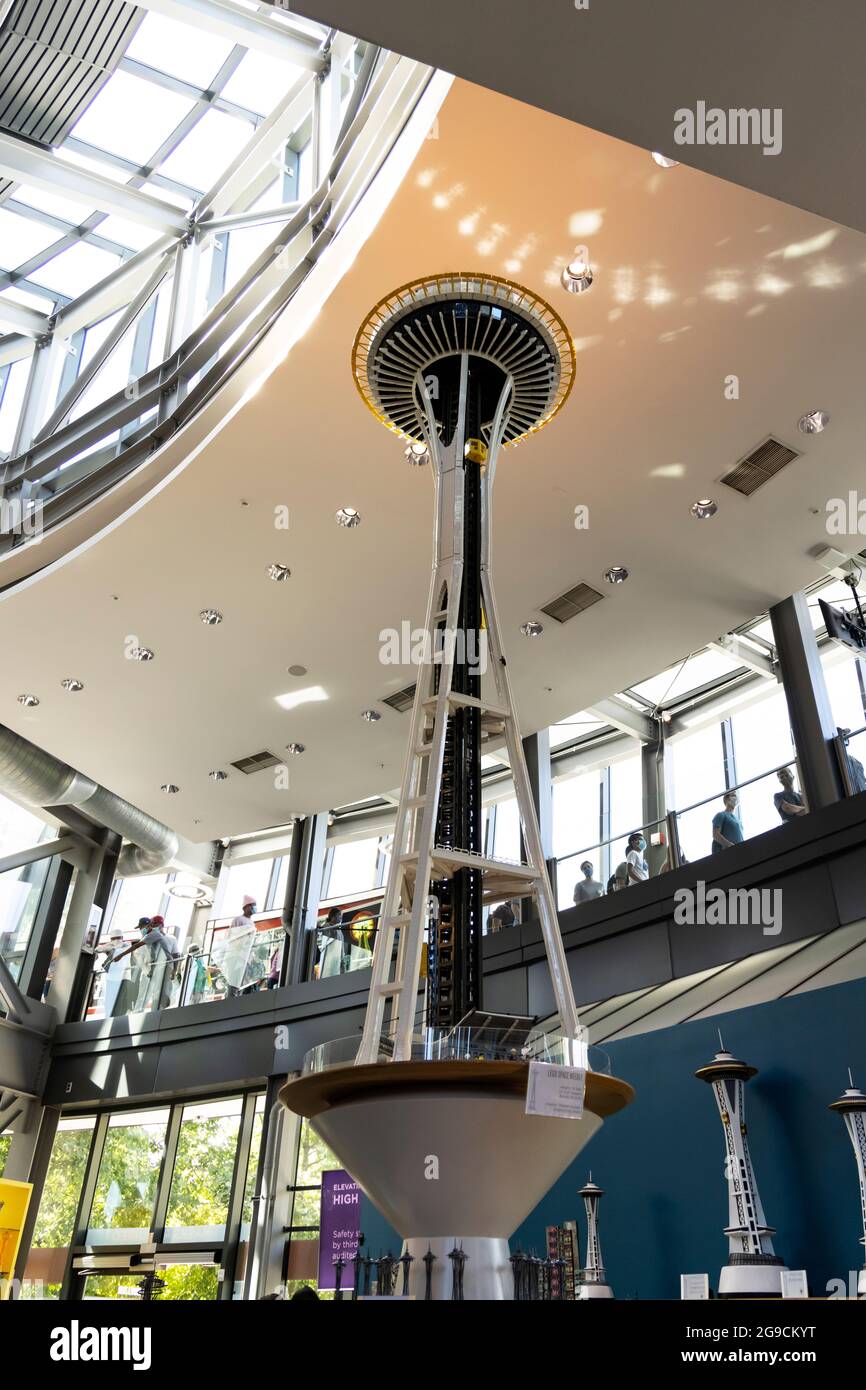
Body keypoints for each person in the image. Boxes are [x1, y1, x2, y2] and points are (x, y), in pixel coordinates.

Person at [213, 894, 258, 997]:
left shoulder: (251, 923)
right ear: (246, 906)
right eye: (252, 905)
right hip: (236, 956)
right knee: (233, 982)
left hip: (245, 958)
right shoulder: (238, 920)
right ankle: (229, 1001)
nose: (254, 908)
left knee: (241, 983)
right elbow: (233, 937)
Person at [839, 728, 866, 793]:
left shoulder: (857, 762)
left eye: (845, 736)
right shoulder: (839, 757)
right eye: (843, 735)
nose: (845, 738)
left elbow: (861, 779)